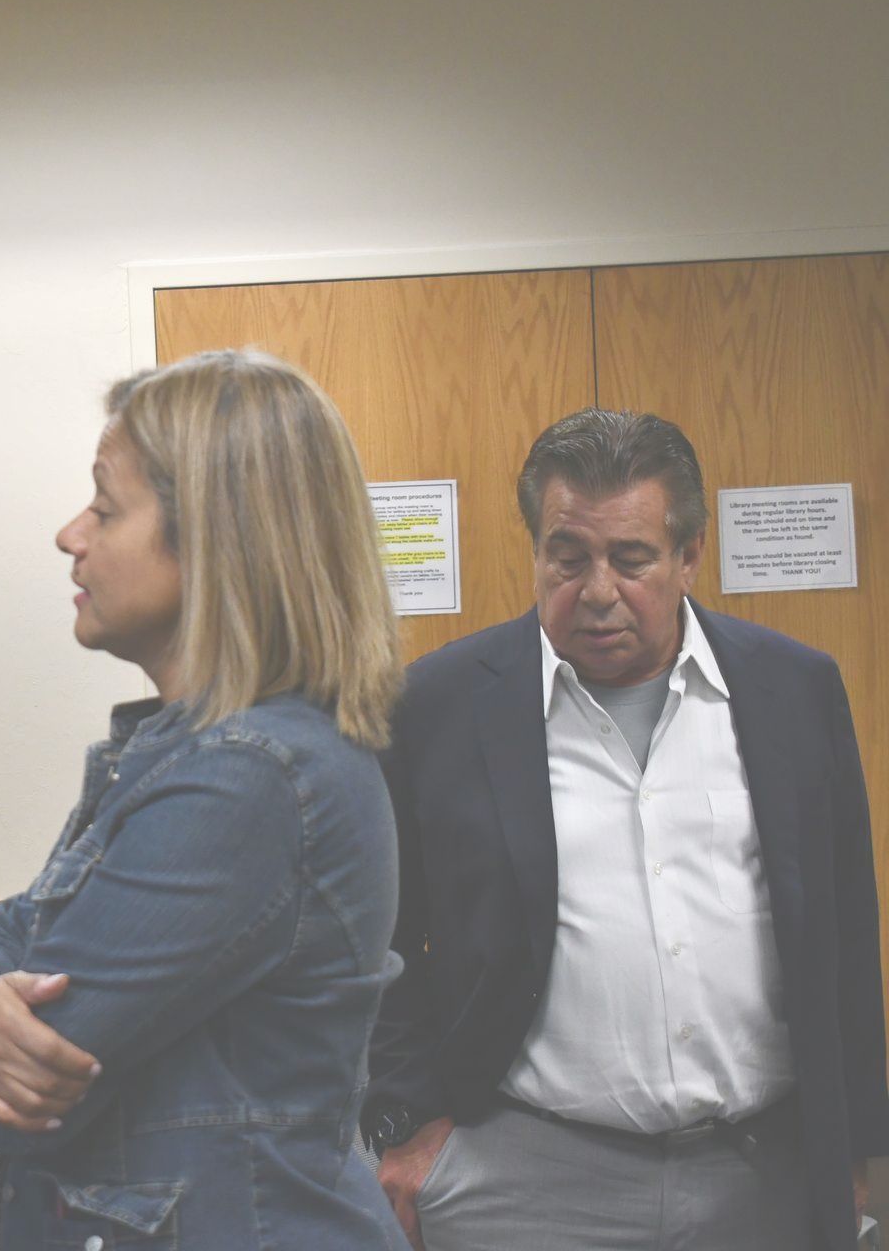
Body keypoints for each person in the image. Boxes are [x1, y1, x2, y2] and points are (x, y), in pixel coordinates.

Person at [0, 349, 409, 1248]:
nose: (71, 536)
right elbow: (23, 925)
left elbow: (19, 1100)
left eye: (105, 508)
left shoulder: (251, 775)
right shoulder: (186, 750)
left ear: (213, 537)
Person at [364, 408, 889, 1250]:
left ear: (690, 555)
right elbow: (377, 939)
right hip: (522, 1176)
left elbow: (845, 929)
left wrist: (854, 1147)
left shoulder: (792, 689)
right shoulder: (437, 706)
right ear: (537, 551)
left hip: (763, 1171)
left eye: (632, 559)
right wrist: (406, 1124)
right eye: (568, 558)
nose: (598, 591)